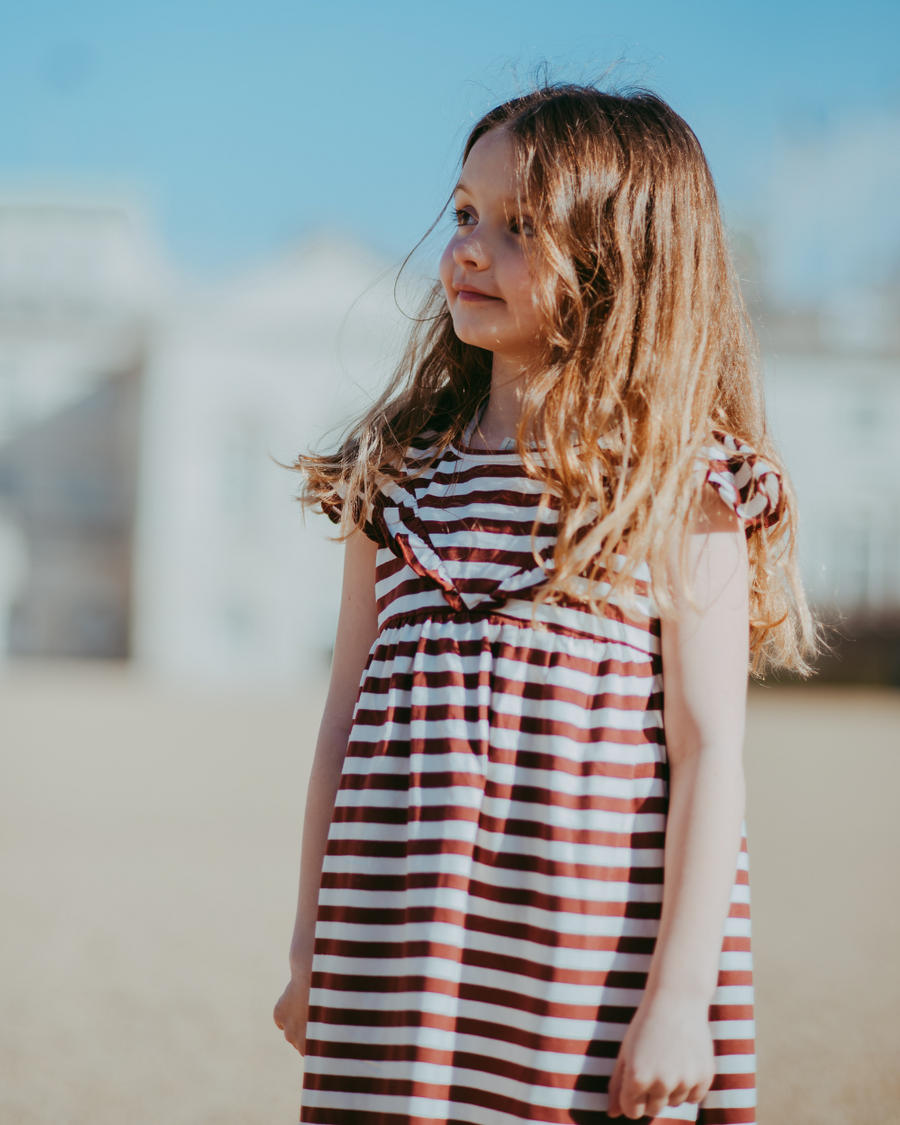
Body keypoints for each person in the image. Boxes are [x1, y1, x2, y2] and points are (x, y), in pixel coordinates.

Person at [274, 83, 814, 1125]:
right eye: (467, 214)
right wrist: (310, 943)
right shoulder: (396, 484)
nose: (470, 248)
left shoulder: (682, 482)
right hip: (394, 955)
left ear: (626, 263)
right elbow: (343, 720)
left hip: (589, 974)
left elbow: (708, 751)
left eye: (521, 226)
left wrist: (681, 1000)